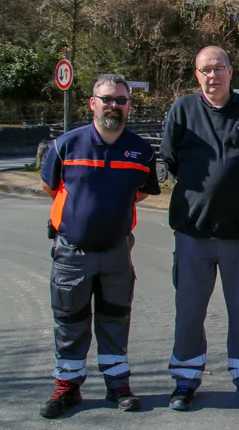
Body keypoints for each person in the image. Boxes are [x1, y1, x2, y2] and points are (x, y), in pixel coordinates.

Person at [39, 75, 161, 418]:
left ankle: (117, 384)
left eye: (121, 100)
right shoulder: (66, 145)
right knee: (69, 319)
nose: (114, 105)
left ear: (129, 105)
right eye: (107, 99)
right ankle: (67, 387)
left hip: (116, 252)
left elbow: (141, 191)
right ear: (92, 102)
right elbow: (52, 188)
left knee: (116, 317)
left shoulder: (141, 150)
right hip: (72, 253)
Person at [160, 46, 239, 410]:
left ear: (229, 70)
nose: (213, 75)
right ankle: (186, 379)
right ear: (197, 75)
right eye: (205, 70)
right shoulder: (183, 109)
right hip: (193, 231)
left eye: (219, 68)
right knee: (190, 310)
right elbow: (171, 159)